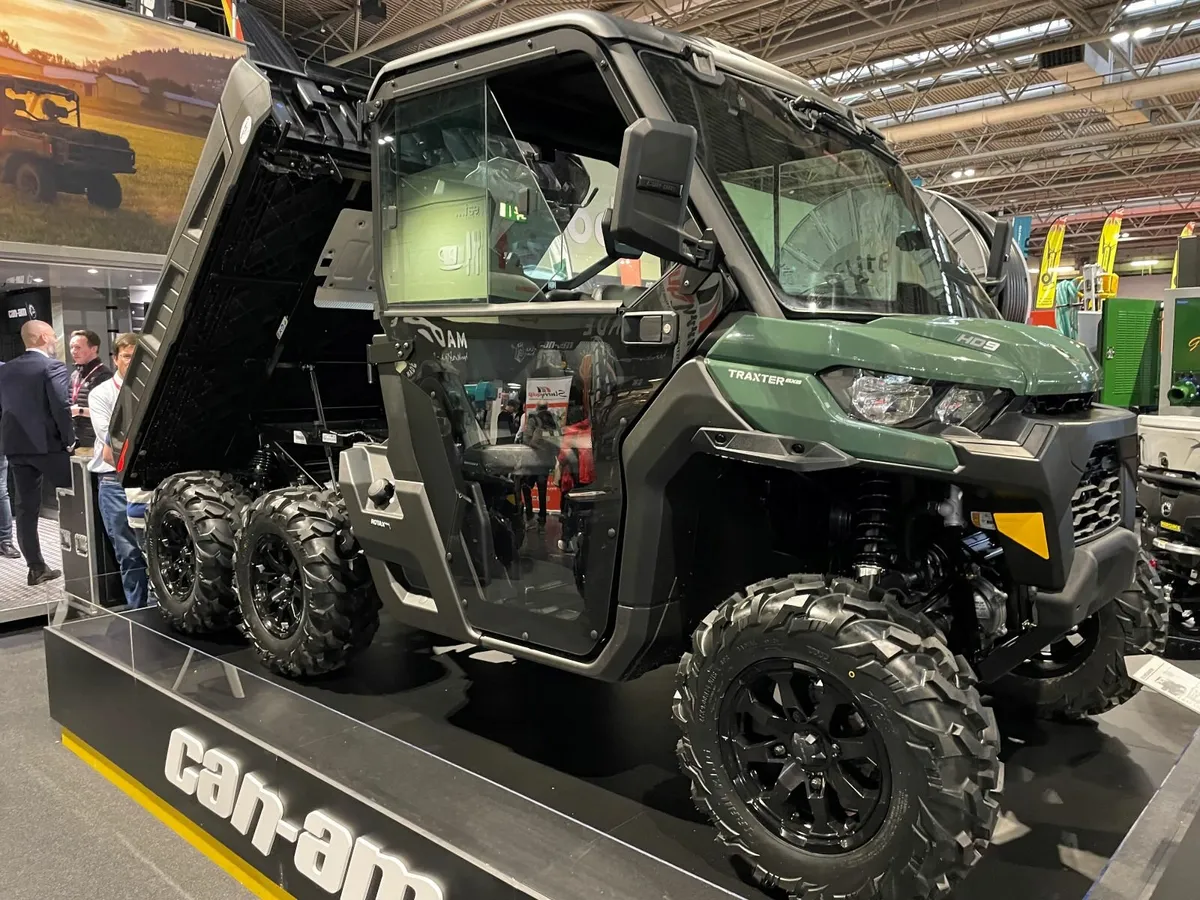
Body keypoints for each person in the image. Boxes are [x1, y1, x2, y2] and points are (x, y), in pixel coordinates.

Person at [0, 320, 72, 585]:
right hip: (49, 446)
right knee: (82, 499)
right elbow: (61, 405)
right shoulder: (52, 366)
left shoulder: (6, 370)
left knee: (26, 508)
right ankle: (95, 563)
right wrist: (70, 440)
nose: (55, 341)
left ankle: (36, 568)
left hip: (16, 446)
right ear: (43, 337)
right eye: (53, 336)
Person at [88, 333, 149, 609]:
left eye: (138, 356)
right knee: (129, 553)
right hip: (115, 484)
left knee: (156, 550)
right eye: (126, 356)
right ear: (115, 359)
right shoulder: (101, 394)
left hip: (149, 481)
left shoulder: (151, 391)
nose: (132, 361)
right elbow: (112, 439)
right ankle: (139, 613)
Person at [68, 329, 112, 453]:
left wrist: (80, 411)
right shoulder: (75, 375)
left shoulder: (103, 375)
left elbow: (109, 412)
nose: (73, 351)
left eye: (78, 347)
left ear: (94, 349)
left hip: (96, 441)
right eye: (71, 347)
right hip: (77, 439)